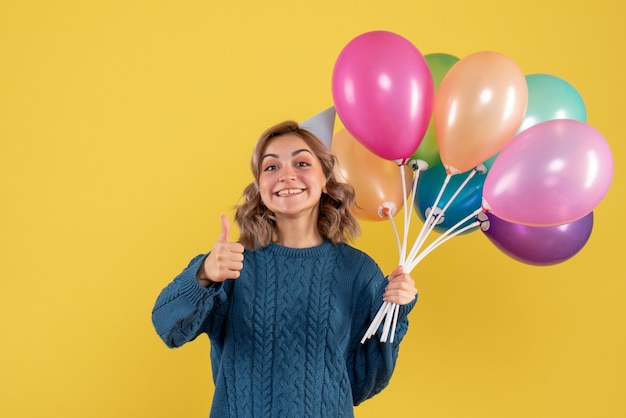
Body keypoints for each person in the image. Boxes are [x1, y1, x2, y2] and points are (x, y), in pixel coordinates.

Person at [152, 120, 418, 418]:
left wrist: (395, 313)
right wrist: (202, 275)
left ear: (327, 179)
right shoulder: (229, 264)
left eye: (302, 163)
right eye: (271, 167)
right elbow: (168, 329)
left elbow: (359, 384)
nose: (287, 176)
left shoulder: (358, 271)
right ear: (259, 186)